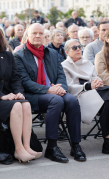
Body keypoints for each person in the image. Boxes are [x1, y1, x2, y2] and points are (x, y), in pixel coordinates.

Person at [15, 23, 86, 163]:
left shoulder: (52, 53)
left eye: (41, 33)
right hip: (33, 95)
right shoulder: (19, 56)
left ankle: (76, 145)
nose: (38, 36)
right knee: (57, 101)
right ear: (27, 35)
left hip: (53, 91)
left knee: (71, 100)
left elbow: (61, 75)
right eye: (34, 33)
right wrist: (48, 89)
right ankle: (52, 147)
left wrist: (61, 89)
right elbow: (24, 82)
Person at [0, 24, 42, 162]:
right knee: (16, 106)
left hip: (10, 96)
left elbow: (15, 78)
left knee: (26, 104)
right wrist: (1, 96)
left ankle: (27, 146)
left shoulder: (8, 55)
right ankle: (18, 149)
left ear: (1, 37)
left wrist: (19, 92)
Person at [62, 39, 109, 155]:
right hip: (79, 95)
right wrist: (88, 86)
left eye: (80, 46)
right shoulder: (64, 66)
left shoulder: (87, 63)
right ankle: (107, 141)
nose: (78, 49)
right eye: (74, 48)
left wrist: (97, 82)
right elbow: (69, 86)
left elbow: (95, 77)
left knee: (108, 99)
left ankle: (107, 141)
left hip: (96, 92)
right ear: (67, 52)